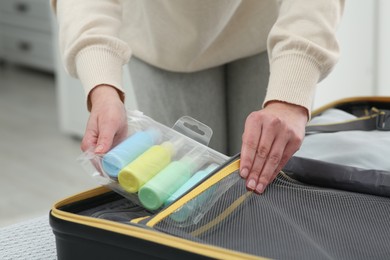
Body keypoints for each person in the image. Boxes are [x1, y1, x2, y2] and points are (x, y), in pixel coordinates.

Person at [52, 0, 344, 194]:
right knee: (185, 199)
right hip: (163, 34)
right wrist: (102, 86)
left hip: (266, 24)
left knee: (265, 188)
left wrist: (290, 95)